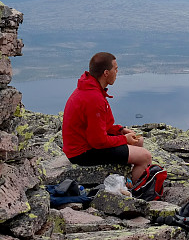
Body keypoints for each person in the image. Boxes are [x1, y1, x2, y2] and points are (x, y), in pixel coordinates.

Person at [62, 52, 153, 185]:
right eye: (115, 69)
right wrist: (123, 139)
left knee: (138, 141)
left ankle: (128, 178)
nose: (117, 72)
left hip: (85, 144)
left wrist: (120, 130)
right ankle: (137, 193)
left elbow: (100, 126)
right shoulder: (94, 98)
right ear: (106, 73)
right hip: (82, 153)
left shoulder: (91, 88)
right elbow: (98, 141)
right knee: (145, 157)